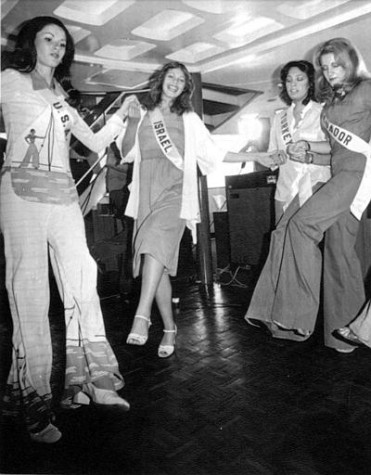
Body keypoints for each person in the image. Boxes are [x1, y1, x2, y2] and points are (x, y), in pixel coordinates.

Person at [0, 16, 140, 444]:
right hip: (21, 192)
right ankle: (34, 402)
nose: (58, 47)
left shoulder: (62, 94)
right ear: (31, 42)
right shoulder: (9, 78)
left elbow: (94, 145)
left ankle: (91, 382)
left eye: (63, 42)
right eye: (49, 39)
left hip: (61, 194)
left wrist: (121, 116)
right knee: (31, 293)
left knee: (82, 280)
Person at [118, 61, 279, 358]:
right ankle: (169, 328)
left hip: (176, 192)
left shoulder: (188, 117)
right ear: (161, 79)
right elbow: (126, 152)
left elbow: (213, 151)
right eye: (172, 77)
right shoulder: (142, 113)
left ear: (185, 88)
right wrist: (129, 122)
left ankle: (142, 315)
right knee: (157, 263)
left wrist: (260, 155)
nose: (176, 82)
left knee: (153, 247)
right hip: (146, 194)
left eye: (182, 80)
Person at [245, 38, 371, 352]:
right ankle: (342, 333)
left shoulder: (366, 90)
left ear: (349, 62)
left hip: (358, 172)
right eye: (325, 68)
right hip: (339, 170)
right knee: (340, 253)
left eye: (336, 65)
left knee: (301, 226)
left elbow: (356, 149)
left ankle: (296, 314)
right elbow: (334, 148)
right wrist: (308, 148)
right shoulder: (330, 105)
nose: (330, 72)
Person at [267, 60, 331, 224]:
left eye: (299, 79)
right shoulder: (279, 118)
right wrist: (272, 158)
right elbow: (273, 155)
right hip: (284, 191)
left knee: (307, 243)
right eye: (289, 80)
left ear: (310, 83)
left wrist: (309, 154)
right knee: (281, 240)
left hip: (315, 188)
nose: (293, 85)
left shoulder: (323, 113)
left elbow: (336, 152)